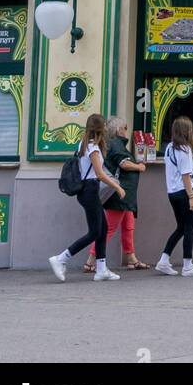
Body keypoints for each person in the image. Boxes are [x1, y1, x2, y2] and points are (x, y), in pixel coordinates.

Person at [49, 113, 125, 282]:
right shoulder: (93, 148)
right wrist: (117, 187)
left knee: (102, 229)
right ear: (100, 128)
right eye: (104, 125)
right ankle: (61, 258)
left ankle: (101, 268)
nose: (106, 128)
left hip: (87, 191)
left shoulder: (83, 144)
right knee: (94, 232)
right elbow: (99, 173)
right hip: (89, 190)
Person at [83, 117, 149, 273]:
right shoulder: (116, 143)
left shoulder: (113, 144)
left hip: (125, 194)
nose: (127, 130)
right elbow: (123, 163)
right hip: (120, 193)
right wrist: (139, 167)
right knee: (109, 228)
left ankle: (131, 259)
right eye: (125, 127)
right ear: (119, 129)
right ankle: (90, 261)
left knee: (128, 226)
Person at [155, 116, 193, 277]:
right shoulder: (185, 150)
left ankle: (163, 260)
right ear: (187, 131)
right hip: (184, 192)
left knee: (181, 228)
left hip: (172, 192)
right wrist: (192, 197)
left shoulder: (169, 147)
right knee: (190, 228)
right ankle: (188, 265)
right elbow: (186, 176)